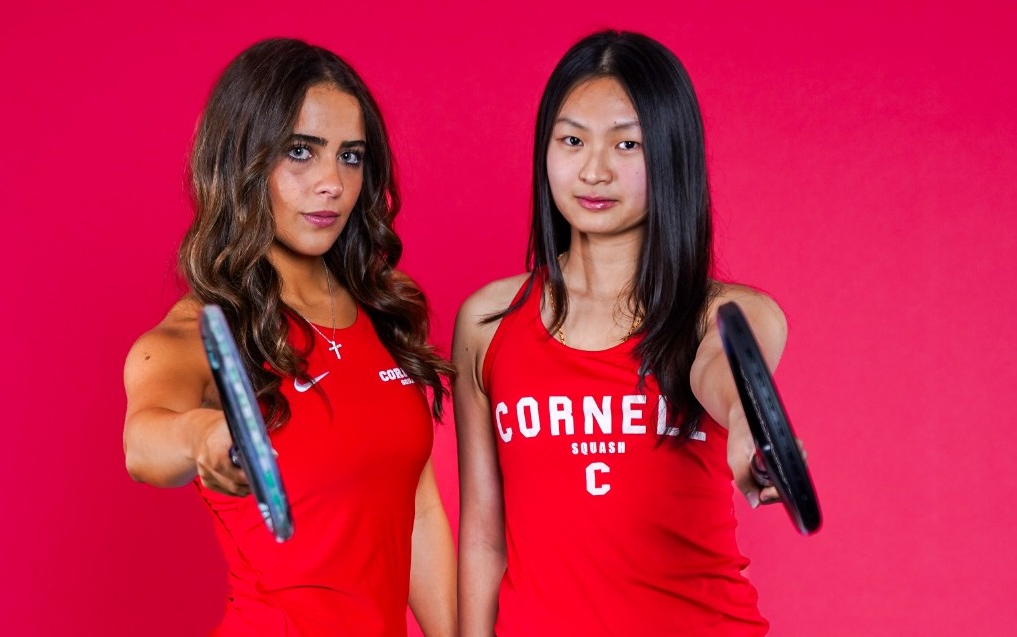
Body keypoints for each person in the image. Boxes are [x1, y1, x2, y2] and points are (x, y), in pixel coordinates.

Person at [454, 30, 786, 636]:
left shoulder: (726, 312)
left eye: (627, 144)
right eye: (573, 140)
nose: (595, 169)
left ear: (669, 155)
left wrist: (751, 429)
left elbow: (730, 370)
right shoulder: (487, 323)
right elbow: (481, 537)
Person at [122, 38, 455, 637]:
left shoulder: (385, 310)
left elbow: (418, 506)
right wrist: (203, 435)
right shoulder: (189, 336)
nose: (331, 182)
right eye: (300, 151)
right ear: (240, 161)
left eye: (350, 156)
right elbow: (144, 445)